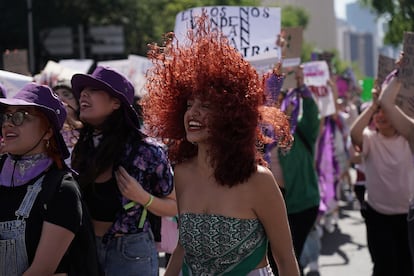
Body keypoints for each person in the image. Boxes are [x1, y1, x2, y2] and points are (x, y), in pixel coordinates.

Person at [142, 13, 299, 276]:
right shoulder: (182, 173)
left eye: (206, 105)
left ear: (230, 114)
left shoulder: (259, 180)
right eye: (189, 105)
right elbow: (185, 244)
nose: (192, 113)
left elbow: (285, 259)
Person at [70, 66, 177, 275]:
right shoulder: (82, 148)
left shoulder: (147, 151)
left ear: (116, 103)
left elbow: (174, 206)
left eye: (94, 89)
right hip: (86, 249)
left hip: (131, 253)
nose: (83, 93)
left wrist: (143, 197)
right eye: (83, 90)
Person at [0, 83, 99, 275]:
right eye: (5, 116)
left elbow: (41, 270)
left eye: (21, 116)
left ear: (48, 131)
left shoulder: (62, 189)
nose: (7, 123)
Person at [350, 58, 414, 275]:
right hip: (378, 216)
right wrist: (374, 104)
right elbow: (354, 133)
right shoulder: (370, 139)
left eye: (385, 112)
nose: (381, 116)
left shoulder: (408, 138)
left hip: (407, 218)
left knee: (406, 267)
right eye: (377, 113)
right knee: (384, 267)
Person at [265, 66, 321, 276]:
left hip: (303, 204)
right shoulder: (259, 135)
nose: (277, 104)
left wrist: (302, 88)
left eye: (281, 98)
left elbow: (313, 115)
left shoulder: (299, 130)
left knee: (288, 256)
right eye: (273, 99)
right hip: (272, 206)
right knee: (273, 258)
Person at [52, 80, 82, 167]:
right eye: (55, 96)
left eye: (66, 95)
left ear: (78, 102)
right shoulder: (46, 132)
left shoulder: (89, 131)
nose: (60, 99)